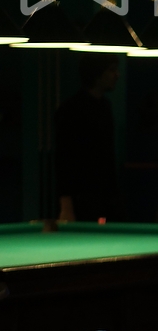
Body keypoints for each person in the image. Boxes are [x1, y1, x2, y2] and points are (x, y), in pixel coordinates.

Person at [56, 55, 124, 222]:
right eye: (111, 70)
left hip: (106, 198)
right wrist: (66, 207)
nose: (117, 75)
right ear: (97, 74)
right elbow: (64, 160)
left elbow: (107, 157)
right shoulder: (71, 110)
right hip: (81, 200)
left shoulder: (105, 107)